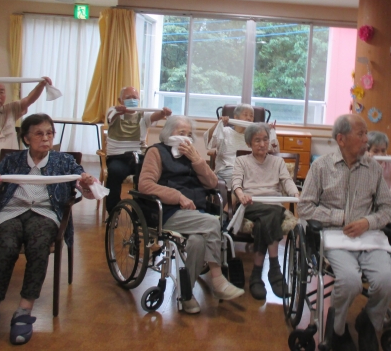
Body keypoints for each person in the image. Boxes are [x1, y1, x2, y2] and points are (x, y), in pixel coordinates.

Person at [0, 114, 98, 346]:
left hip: (45, 213)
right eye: (39, 134)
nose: (46, 138)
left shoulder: (64, 161)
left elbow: (88, 191)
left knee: (38, 246)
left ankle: (24, 311)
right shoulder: (12, 160)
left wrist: (89, 184)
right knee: (6, 245)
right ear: (26, 138)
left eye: (49, 133)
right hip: (11, 212)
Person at [299, 114, 391, 351]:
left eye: (366, 134)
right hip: (336, 238)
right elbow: (305, 207)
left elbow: (390, 208)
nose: (366, 140)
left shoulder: (373, 168)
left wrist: (367, 221)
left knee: (387, 281)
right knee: (350, 281)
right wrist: (340, 217)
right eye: (361, 134)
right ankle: (337, 329)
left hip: (369, 237)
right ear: (341, 139)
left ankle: (368, 322)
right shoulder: (321, 167)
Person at [138, 115, 244, 314]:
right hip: (168, 211)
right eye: (181, 133)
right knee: (212, 223)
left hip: (195, 212)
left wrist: (197, 160)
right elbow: (145, 185)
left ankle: (186, 294)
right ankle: (217, 279)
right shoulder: (156, 152)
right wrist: (177, 196)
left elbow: (213, 183)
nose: (185, 138)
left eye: (188, 134)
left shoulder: (191, 154)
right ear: (169, 133)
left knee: (197, 241)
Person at [232, 123, 299, 300]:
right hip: (251, 204)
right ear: (249, 143)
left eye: (265, 139)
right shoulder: (242, 161)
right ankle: (275, 272)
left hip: (273, 204)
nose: (262, 144)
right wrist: (241, 194)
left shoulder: (278, 162)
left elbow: (287, 181)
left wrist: (295, 193)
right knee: (271, 214)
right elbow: (236, 183)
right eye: (257, 141)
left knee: (266, 219)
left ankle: (257, 274)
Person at [104, 86, 170, 215]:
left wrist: (163, 113)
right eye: (128, 97)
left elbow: (154, 116)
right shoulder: (113, 110)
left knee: (148, 175)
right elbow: (111, 118)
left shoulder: (142, 114)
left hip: (138, 156)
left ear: (139, 99)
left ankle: (142, 211)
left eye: (134, 97)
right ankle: (113, 211)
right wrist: (119, 112)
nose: (132, 100)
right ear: (120, 100)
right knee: (114, 172)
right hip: (117, 157)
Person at [204, 103, 278, 183]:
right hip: (228, 169)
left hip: (251, 170)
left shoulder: (256, 136)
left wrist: (270, 133)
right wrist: (218, 123)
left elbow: (273, 150)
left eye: (251, 116)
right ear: (236, 117)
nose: (249, 118)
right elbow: (208, 142)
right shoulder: (225, 131)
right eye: (245, 115)